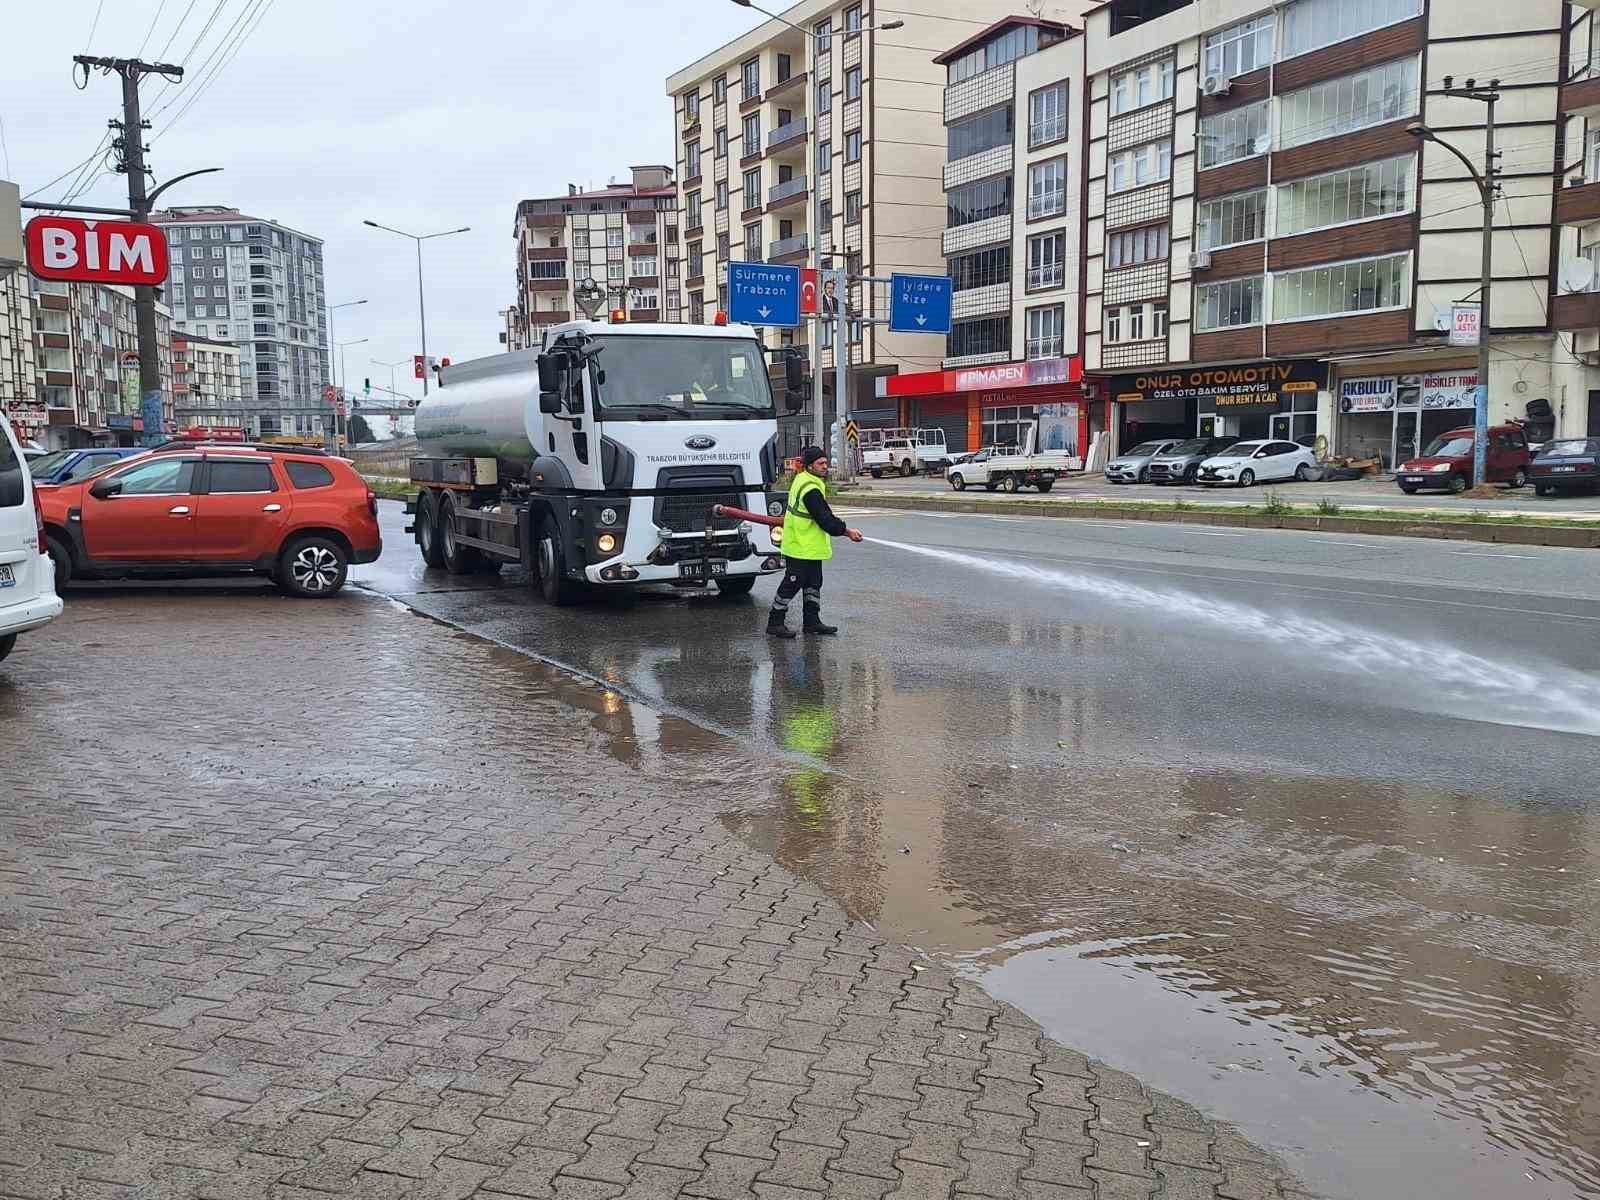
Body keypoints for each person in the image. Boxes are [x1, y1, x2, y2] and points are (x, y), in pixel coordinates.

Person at [767, 446, 863, 639]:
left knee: (813, 584)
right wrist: (847, 532)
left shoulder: (806, 480)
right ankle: (775, 622)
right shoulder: (810, 487)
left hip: (808, 546)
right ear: (810, 465)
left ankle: (812, 622)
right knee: (792, 584)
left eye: (826, 463)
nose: (825, 467)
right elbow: (825, 519)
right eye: (821, 463)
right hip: (799, 546)